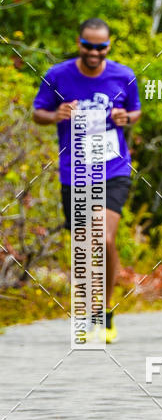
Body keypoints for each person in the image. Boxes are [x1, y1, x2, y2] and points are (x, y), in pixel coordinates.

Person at [33, 18, 141, 343]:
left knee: (104, 238)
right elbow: (38, 112)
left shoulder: (123, 75)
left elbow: (135, 111)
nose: (94, 52)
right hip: (75, 171)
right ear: (79, 42)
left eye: (100, 47)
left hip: (114, 168)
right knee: (83, 243)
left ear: (109, 46)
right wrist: (56, 115)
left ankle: (105, 312)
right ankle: (83, 312)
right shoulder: (58, 76)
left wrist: (126, 117)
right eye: (88, 45)